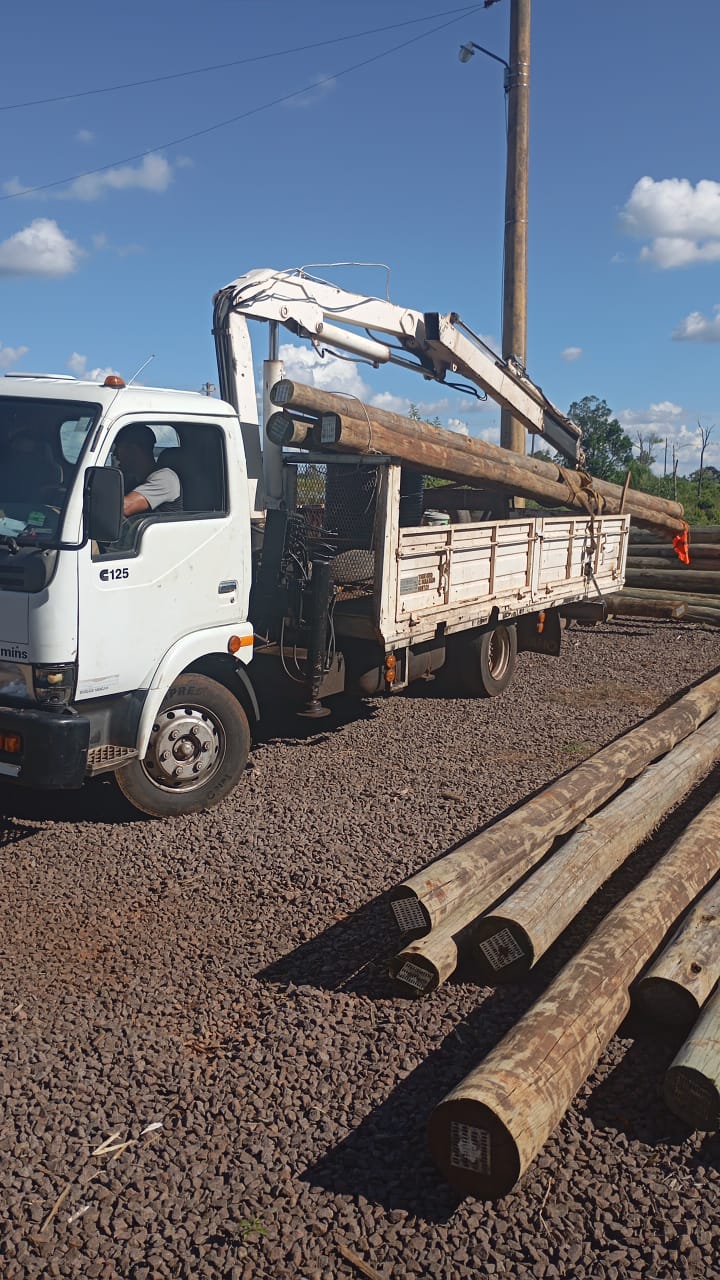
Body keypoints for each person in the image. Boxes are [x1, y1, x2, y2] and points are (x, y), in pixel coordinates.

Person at [112, 424, 182, 515]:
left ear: (134, 450)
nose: (115, 454)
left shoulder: (166, 478)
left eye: (118, 448)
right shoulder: (132, 479)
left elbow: (124, 508)